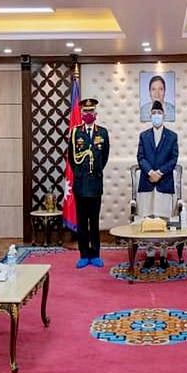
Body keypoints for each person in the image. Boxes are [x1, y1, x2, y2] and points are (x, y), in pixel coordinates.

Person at [136, 100, 179, 269]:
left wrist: (160, 173)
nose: (156, 116)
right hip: (147, 182)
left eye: (159, 113)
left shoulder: (172, 136)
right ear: (150, 115)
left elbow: (174, 159)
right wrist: (149, 172)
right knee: (148, 219)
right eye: (153, 113)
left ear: (164, 115)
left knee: (163, 220)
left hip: (164, 182)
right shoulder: (143, 135)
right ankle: (149, 254)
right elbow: (140, 158)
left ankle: (162, 255)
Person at [70, 98, 110, 268]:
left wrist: (96, 171)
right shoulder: (75, 133)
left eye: (91, 111)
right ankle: (83, 254)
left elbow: (105, 156)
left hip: (95, 184)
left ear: (96, 113)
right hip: (80, 184)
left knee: (94, 221)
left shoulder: (103, 132)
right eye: (85, 111)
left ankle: (95, 254)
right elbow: (71, 158)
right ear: (81, 113)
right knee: (81, 221)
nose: (88, 114)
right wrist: (80, 174)